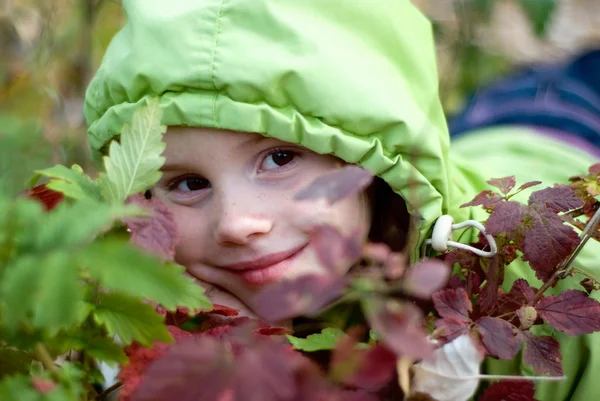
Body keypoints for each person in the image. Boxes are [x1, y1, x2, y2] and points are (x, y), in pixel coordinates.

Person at [83, 0, 600, 399]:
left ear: (373, 163)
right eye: (188, 183)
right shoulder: (141, 312)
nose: (237, 223)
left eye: (280, 158)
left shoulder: (536, 281)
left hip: (564, 129)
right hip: (478, 135)